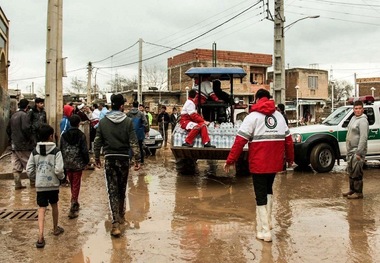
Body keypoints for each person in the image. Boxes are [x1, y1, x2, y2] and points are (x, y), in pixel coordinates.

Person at [223, 89, 294, 242]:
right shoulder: (279, 116)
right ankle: (268, 223)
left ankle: (265, 231)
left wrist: (230, 160)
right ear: (269, 98)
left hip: (259, 163)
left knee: (260, 194)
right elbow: (289, 140)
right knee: (269, 190)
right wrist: (290, 159)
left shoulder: (252, 117)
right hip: (275, 163)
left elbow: (240, 141)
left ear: (256, 99)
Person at [93, 94, 141, 237]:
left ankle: (115, 223)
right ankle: (120, 216)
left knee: (112, 190)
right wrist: (137, 160)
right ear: (121, 106)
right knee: (122, 188)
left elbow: (97, 142)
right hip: (124, 159)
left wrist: (96, 158)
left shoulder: (102, 122)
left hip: (110, 159)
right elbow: (134, 142)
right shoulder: (128, 122)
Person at [26, 124, 65, 248]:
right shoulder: (56, 151)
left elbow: (29, 169)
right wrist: (61, 178)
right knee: (54, 205)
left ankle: (40, 236)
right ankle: (55, 228)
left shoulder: (35, 151)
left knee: (41, 208)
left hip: (40, 185)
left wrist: (35, 178)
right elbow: (59, 170)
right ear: (51, 136)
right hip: (53, 185)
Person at [60, 114, 90, 218]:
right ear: (78, 124)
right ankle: (73, 203)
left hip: (67, 163)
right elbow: (84, 150)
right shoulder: (81, 135)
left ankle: (75, 201)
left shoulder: (64, 135)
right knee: (76, 183)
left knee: (72, 182)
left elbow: (61, 149)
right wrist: (87, 162)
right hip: (77, 164)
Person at [6, 99, 35, 189]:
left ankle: (17, 184)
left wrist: (12, 139)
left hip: (14, 145)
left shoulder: (13, 115)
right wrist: (31, 140)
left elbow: (8, 130)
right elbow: (26, 129)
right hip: (23, 145)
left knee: (16, 166)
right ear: (27, 107)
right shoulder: (24, 115)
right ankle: (33, 185)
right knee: (29, 165)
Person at [343, 100, 369, 199]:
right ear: (353, 110)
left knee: (357, 171)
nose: (357, 110)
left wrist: (359, 152)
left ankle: (358, 193)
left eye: (359, 108)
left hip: (357, 151)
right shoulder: (353, 118)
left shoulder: (363, 121)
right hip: (350, 150)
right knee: (351, 170)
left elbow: (363, 137)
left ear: (363, 109)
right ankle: (352, 189)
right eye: (356, 108)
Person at [127, 101, 148, 165]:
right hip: (139, 134)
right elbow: (145, 123)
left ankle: (129, 160)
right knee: (140, 147)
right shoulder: (141, 114)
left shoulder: (128, 113)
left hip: (130, 133)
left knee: (130, 147)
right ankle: (141, 161)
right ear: (138, 105)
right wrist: (145, 130)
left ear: (132, 105)